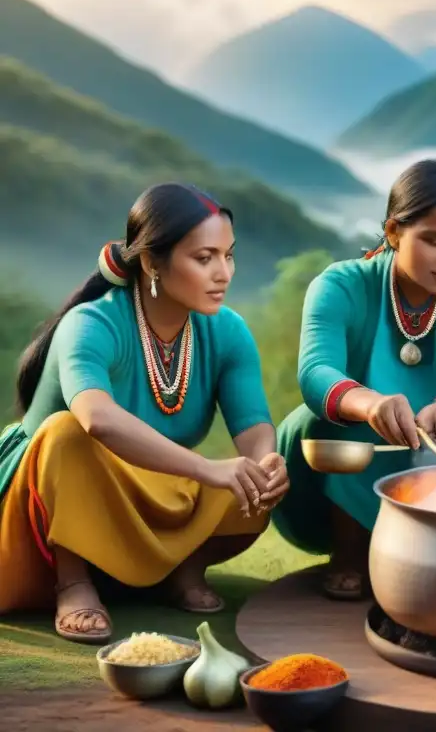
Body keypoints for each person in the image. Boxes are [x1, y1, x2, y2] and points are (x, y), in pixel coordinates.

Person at [0, 183, 288, 645]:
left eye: (229, 255)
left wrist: (267, 462)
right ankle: (73, 581)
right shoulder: (92, 324)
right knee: (66, 433)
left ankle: (180, 571)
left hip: (145, 489)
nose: (224, 273)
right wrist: (209, 469)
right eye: (204, 257)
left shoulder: (227, 331)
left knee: (253, 479)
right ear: (152, 262)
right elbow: (99, 420)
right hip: (41, 511)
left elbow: (253, 424)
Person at [272, 159, 436, 601]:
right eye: (434, 241)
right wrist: (370, 403)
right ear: (395, 231)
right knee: (322, 419)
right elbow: (316, 372)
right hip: (355, 436)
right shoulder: (341, 286)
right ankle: (348, 551)